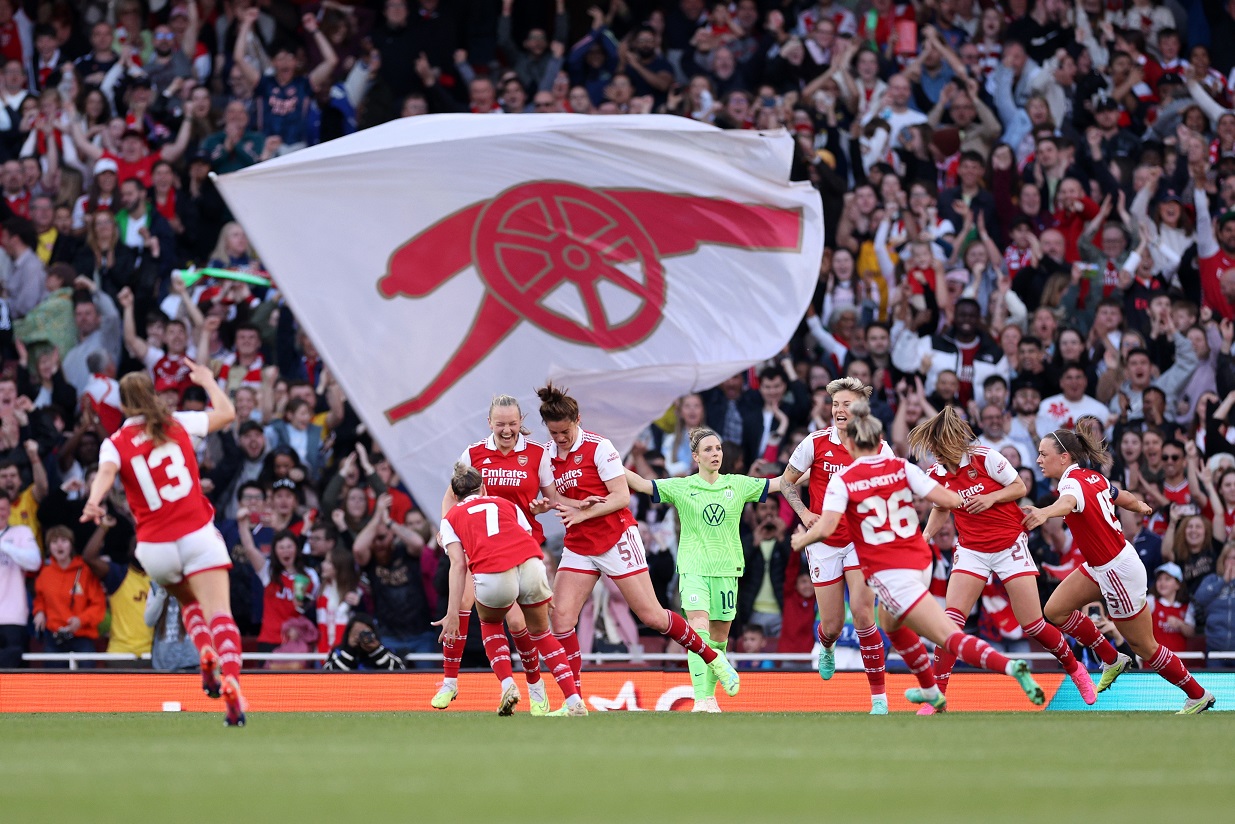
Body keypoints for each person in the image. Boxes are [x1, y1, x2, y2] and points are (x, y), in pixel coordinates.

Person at [792, 400, 1045, 713]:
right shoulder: (902, 468)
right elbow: (950, 498)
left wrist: (802, 538)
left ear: (854, 444)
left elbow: (828, 524)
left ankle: (1007, 667)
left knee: (945, 634)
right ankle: (930, 690)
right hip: (918, 559)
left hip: (888, 569)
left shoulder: (843, 480)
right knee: (892, 626)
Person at [532, 382, 739, 705]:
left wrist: (584, 513)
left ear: (578, 421)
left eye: (565, 432)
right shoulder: (546, 455)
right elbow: (557, 497)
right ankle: (573, 702)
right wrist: (546, 505)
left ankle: (714, 658)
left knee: (653, 617)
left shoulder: (600, 448)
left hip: (616, 537)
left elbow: (621, 497)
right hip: (581, 543)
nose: (560, 439)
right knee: (560, 619)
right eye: (554, 433)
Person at [79, 359, 248, 725]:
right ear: (152, 395)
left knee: (188, 600)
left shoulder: (115, 442)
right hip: (196, 533)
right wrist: (207, 381)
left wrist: (94, 500)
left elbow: (106, 473)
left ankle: (204, 654)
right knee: (220, 612)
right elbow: (227, 413)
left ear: (123, 405)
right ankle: (231, 679)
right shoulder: (177, 423)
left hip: (154, 547)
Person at [909, 407, 1096, 714]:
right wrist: (926, 536)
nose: (933, 455)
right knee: (949, 624)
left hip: (1009, 544)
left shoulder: (986, 457)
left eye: (936, 447)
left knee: (1033, 624)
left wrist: (991, 498)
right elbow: (941, 507)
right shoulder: (937, 473)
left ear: (950, 442)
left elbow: (1020, 487)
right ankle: (936, 697)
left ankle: (1075, 669)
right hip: (971, 549)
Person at [1023, 428, 1216, 714]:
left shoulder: (1071, 486)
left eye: (1043, 454)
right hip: (1103, 565)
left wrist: (1044, 512)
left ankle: (1198, 694)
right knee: (1055, 611)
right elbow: (1119, 494)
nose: (1038, 459)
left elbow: (1068, 503)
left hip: (1117, 571)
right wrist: (1139, 506)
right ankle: (1111, 657)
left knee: (1144, 646)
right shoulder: (1091, 476)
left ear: (1064, 457)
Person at [624, 426, 771, 712]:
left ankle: (708, 697)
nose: (715, 453)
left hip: (728, 570)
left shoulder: (737, 484)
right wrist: (607, 463)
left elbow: (778, 483)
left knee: (718, 639)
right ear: (695, 456)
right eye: (708, 450)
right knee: (698, 630)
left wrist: (809, 466)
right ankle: (701, 700)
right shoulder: (683, 486)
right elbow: (643, 485)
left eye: (717, 448)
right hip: (693, 569)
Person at [431, 394, 555, 713]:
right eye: (500, 424)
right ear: (489, 423)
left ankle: (535, 689)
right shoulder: (473, 453)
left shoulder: (538, 454)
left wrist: (542, 508)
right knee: (461, 604)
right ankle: (449, 683)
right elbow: (450, 497)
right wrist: (448, 529)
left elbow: (551, 498)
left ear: (521, 422)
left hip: (519, 548)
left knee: (518, 623)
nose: (506, 430)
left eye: (513, 424)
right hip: (481, 549)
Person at [776, 377, 892, 714]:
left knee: (862, 614)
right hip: (824, 541)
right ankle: (825, 645)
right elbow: (785, 481)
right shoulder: (814, 443)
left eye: (847, 405)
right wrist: (805, 513)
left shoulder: (877, 446)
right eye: (836, 404)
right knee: (831, 625)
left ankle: (879, 698)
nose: (839, 410)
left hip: (859, 540)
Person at [435, 464, 586, 716]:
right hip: (532, 565)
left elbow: (458, 565)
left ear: (455, 495)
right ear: (483, 488)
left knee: (491, 625)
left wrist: (452, 613)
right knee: (542, 634)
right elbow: (525, 538)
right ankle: (574, 702)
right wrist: (544, 592)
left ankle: (508, 685)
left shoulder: (450, 518)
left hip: (493, 572)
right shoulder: (505, 504)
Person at [0, 495, 39, 667]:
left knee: (13, 676)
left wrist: (4, 545)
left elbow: (34, 562)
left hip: (12, 618)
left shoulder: (21, 532)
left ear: (9, 511)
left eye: (2, 508)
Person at [323, 612, 407, 671]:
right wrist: (350, 650)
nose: (360, 636)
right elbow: (328, 674)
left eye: (365, 632)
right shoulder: (338, 652)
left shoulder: (385, 651)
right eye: (356, 632)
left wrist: (375, 651)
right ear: (348, 634)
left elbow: (400, 671)